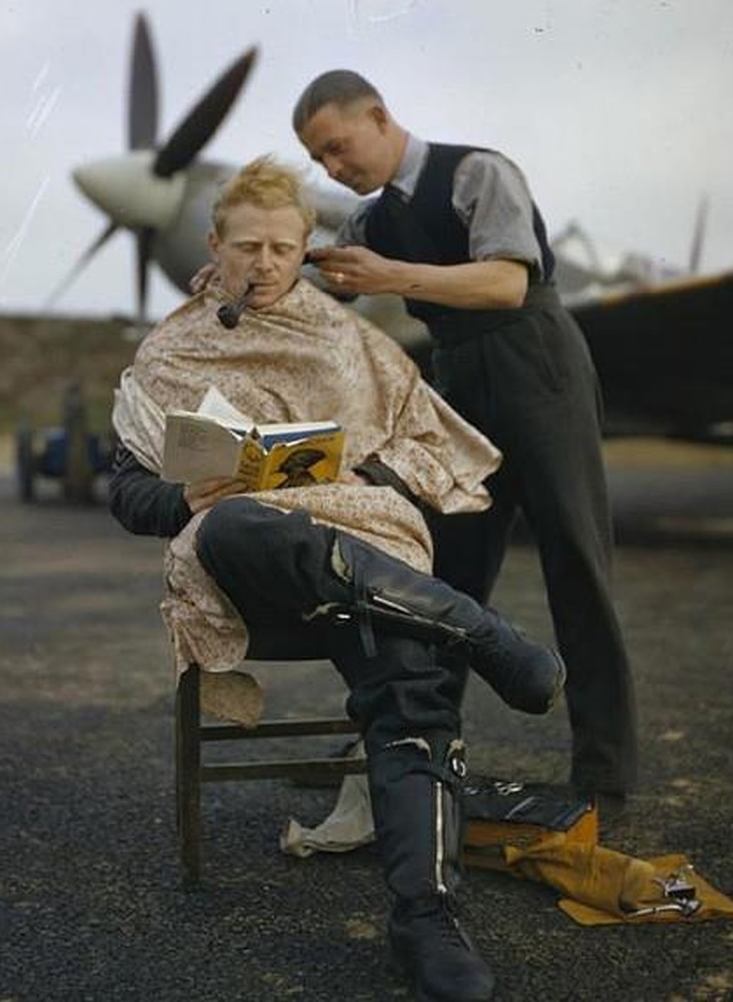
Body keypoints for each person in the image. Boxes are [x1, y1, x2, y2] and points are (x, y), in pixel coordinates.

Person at [109, 156, 566, 1002]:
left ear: (304, 246)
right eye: (247, 246)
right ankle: (475, 627)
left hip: (363, 554)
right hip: (243, 568)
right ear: (214, 244)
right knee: (244, 521)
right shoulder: (169, 350)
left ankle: (425, 918)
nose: (266, 263)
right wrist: (183, 495)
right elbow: (126, 491)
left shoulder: (350, 338)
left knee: (410, 675)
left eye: (284, 247)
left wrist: (359, 480)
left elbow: (428, 451)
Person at [292, 72, 637, 806]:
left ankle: (604, 774)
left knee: (574, 562)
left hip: (534, 362)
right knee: (440, 578)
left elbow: (507, 283)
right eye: (317, 161)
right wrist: (241, 271)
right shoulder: (370, 220)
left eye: (337, 148)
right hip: (454, 381)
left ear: (379, 118)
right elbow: (323, 285)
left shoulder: (477, 171)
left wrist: (393, 275)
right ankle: (411, 748)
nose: (332, 170)